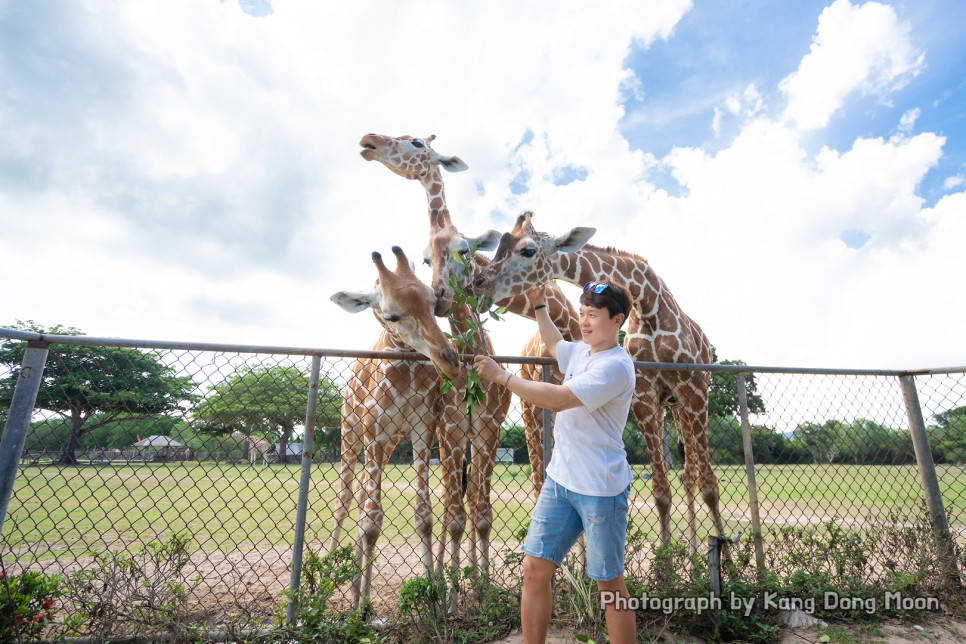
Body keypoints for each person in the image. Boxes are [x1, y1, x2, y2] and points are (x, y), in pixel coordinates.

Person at [474, 280, 637, 644]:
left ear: (617, 320)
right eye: (582, 314)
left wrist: (502, 376)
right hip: (560, 483)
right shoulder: (582, 352)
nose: (584, 322)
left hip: (600, 490)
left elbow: (560, 399)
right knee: (534, 569)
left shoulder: (615, 367)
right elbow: (556, 344)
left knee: (608, 583)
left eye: (592, 315)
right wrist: (539, 306)